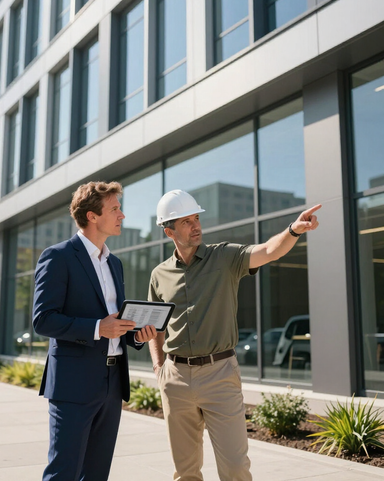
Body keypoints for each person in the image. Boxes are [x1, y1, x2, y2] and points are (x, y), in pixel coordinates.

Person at [148, 189, 321, 481]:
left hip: (220, 375)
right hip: (175, 378)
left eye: (196, 218)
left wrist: (293, 230)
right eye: (187, 221)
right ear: (169, 231)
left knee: (235, 467)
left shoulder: (225, 256)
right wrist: (158, 367)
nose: (196, 225)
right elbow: (156, 328)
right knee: (185, 471)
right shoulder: (159, 274)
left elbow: (269, 250)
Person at [33, 181, 157, 481]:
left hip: (112, 384)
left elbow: (114, 322)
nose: (122, 215)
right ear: (92, 216)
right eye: (115, 209)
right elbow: (43, 320)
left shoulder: (114, 263)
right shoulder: (58, 256)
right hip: (73, 384)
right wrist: (99, 328)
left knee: (97, 473)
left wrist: (134, 334)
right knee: (64, 472)